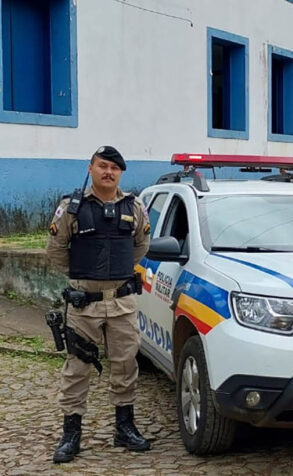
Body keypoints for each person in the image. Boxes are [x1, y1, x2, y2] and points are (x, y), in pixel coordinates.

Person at [46, 146, 152, 463]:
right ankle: (71, 435)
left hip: (122, 303)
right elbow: (56, 251)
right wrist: (85, 276)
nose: (108, 172)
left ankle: (124, 428)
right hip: (83, 305)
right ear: (91, 168)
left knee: (126, 364)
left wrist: (114, 274)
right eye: (102, 166)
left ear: (120, 173)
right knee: (77, 369)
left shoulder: (134, 206)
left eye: (114, 168)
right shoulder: (72, 207)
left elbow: (140, 246)